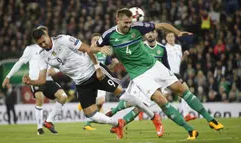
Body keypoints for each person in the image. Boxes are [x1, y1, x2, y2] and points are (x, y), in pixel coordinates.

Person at [91, 8, 224, 140]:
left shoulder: (137, 27)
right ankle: (190, 130)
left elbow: (161, 25)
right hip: (139, 75)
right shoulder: (109, 35)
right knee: (160, 100)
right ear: (117, 20)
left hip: (153, 65)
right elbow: (91, 49)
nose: (128, 25)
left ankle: (211, 119)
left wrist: (177, 32)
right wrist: (100, 50)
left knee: (181, 89)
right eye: (125, 22)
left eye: (130, 22)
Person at [23, 26, 159, 139]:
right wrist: (31, 82)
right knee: (91, 115)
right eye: (40, 43)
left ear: (47, 35)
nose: (44, 44)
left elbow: (87, 49)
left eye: (44, 41)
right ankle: (118, 124)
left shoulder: (63, 40)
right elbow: (42, 80)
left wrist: (98, 68)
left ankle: (153, 116)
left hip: (94, 72)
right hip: (81, 82)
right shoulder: (42, 55)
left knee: (122, 95)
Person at [2, 42, 68, 135]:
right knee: (40, 98)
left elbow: (61, 64)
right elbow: (20, 62)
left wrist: (55, 70)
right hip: (35, 79)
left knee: (63, 96)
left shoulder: (52, 47)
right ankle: (39, 128)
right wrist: (8, 76)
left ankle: (49, 121)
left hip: (48, 79)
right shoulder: (30, 49)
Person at [78, 33, 119, 131]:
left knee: (100, 103)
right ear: (91, 42)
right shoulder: (87, 52)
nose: (96, 41)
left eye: (98, 39)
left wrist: (114, 64)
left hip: (101, 79)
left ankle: (88, 123)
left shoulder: (105, 52)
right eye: (94, 40)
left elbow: (109, 69)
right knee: (99, 102)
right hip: (89, 79)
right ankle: (86, 114)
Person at [165, 31, 197, 121]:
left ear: (175, 38)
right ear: (166, 38)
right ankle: (186, 114)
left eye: (172, 36)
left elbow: (179, 60)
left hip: (177, 73)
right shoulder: (164, 48)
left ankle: (186, 114)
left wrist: (184, 56)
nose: (171, 38)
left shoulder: (178, 47)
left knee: (164, 94)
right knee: (185, 91)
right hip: (169, 73)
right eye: (169, 36)